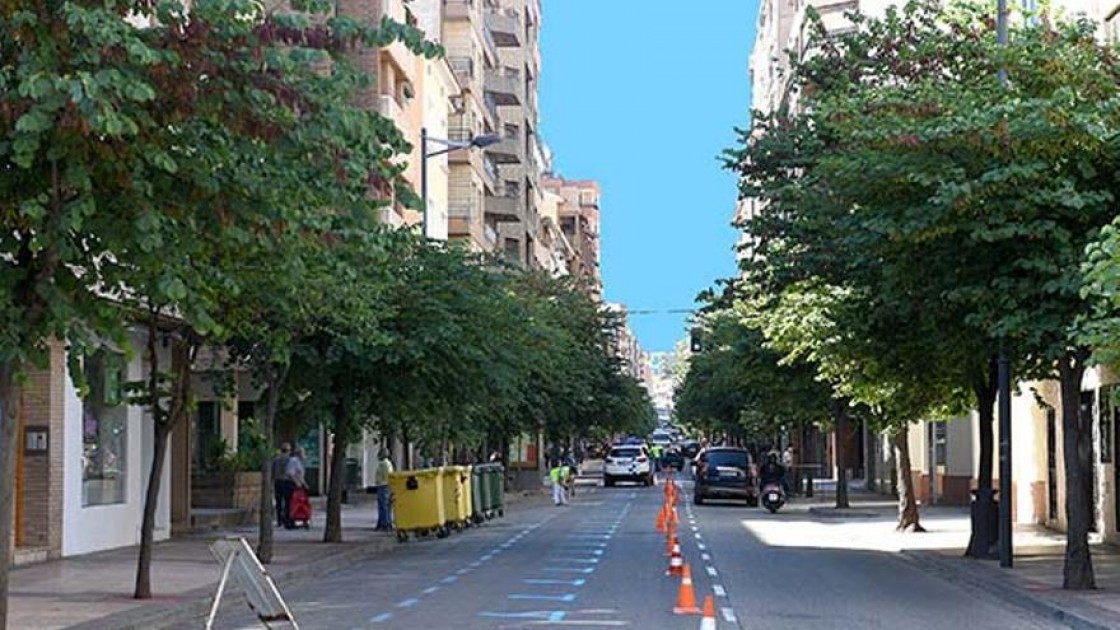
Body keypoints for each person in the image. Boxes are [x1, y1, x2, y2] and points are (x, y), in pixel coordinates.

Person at [271, 442, 292, 528]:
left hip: (277, 481)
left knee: (278, 501)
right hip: (286, 481)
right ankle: (287, 520)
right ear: (288, 451)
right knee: (287, 502)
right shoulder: (289, 460)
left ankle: (279, 520)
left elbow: (272, 471)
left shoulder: (276, 460)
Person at [284, 448, 307, 528]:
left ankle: (293, 519)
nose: (305, 455)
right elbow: (290, 473)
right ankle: (288, 521)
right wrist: (297, 482)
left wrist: (304, 484)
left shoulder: (299, 462)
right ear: (299, 454)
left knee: (296, 503)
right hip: (291, 484)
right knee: (290, 502)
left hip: (297, 484)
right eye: (304, 453)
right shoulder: (294, 461)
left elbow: (299, 474)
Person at [374, 448, 394, 531]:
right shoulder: (388, 463)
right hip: (386, 485)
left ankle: (385, 523)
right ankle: (385, 522)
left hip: (383, 485)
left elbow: (386, 475)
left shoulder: (383, 464)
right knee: (386, 506)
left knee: (383, 506)